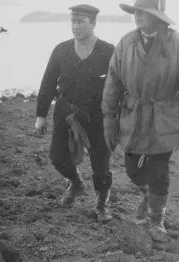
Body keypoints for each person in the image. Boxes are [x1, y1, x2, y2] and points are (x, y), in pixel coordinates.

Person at [102, 0, 179, 241]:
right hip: (133, 118)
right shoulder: (126, 43)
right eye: (136, 11)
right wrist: (109, 118)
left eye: (143, 12)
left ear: (156, 16)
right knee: (133, 171)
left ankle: (156, 219)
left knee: (159, 171)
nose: (137, 16)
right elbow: (113, 82)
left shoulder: (177, 43)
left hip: (165, 119)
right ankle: (148, 197)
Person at [35, 4, 115, 222]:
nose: (76, 26)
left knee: (101, 164)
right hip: (65, 112)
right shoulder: (61, 50)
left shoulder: (108, 51)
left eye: (81, 22)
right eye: (73, 21)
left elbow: (119, 85)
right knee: (57, 157)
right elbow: (48, 82)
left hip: (97, 116)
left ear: (94, 23)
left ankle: (101, 205)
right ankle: (76, 182)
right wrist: (40, 115)